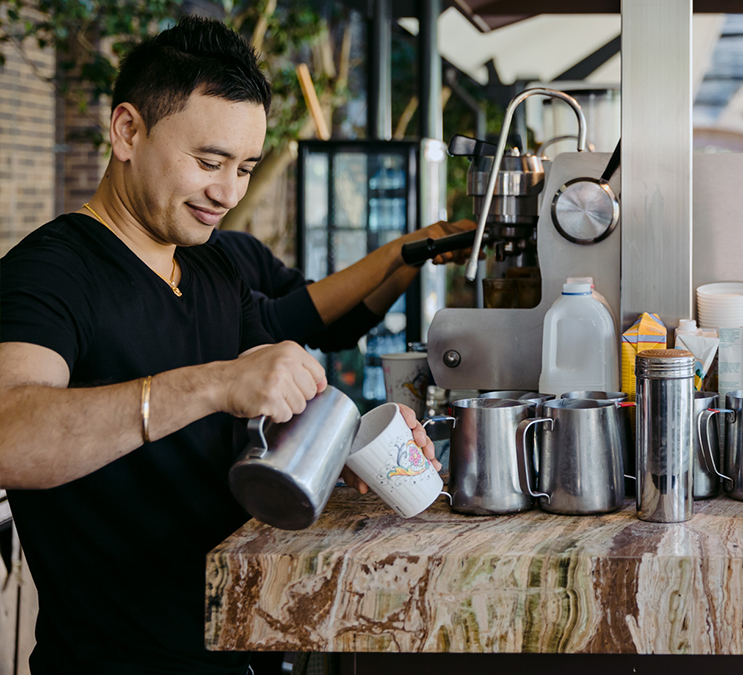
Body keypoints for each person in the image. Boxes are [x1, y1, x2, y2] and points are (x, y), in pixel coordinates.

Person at [0, 18, 439, 674]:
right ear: (127, 131)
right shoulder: (51, 271)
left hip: (243, 640)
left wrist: (341, 445)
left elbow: (258, 409)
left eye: (244, 168)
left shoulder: (212, 267)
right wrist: (209, 383)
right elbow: (9, 434)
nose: (228, 193)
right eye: (208, 162)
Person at [209, 218, 474, 353]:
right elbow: (275, 323)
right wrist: (398, 251)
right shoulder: (196, 268)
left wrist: (414, 255)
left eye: (244, 169)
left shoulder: (241, 248)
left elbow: (336, 325)